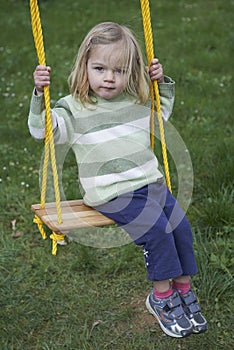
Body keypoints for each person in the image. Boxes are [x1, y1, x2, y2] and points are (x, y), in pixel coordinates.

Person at [28, 22, 207, 338]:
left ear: (132, 72)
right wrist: (39, 95)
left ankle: (183, 289)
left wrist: (160, 82)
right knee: (156, 231)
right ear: (85, 65)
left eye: (119, 70)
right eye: (99, 68)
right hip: (112, 192)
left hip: (151, 183)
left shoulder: (135, 101)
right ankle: (161, 298)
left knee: (180, 226)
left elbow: (160, 117)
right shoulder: (74, 108)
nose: (109, 77)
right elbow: (43, 131)